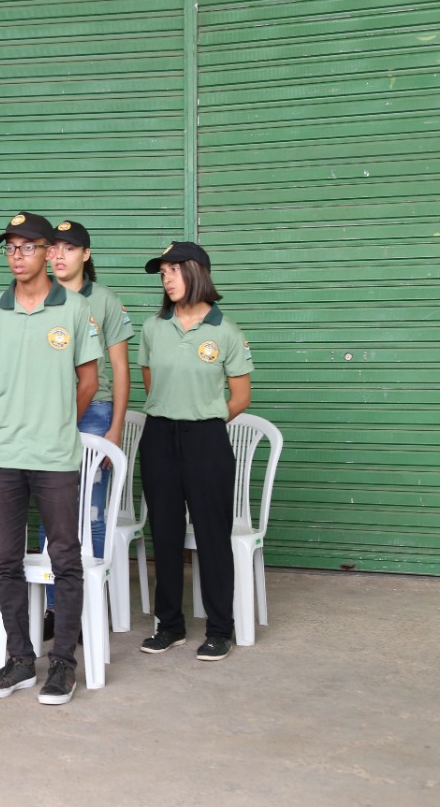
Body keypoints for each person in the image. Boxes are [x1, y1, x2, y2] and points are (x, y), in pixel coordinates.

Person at [0, 211, 101, 705]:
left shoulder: (74, 309)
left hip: (55, 456)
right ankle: (20, 661)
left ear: (48, 252)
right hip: (6, 454)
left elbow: (88, 380)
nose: (17, 256)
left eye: (28, 247)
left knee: (64, 559)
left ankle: (63, 664)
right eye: (10, 247)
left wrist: (57, 421)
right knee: (6, 560)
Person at [137, 241, 252, 663]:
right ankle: (170, 625)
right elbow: (151, 381)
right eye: (162, 273)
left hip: (206, 440)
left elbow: (241, 396)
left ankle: (220, 629)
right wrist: (174, 411)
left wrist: (204, 417)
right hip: (158, 436)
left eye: (173, 271)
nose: (166, 280)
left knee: (211, 535)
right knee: (165, 534)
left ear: (197, 272)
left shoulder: (226, 331)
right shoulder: (153, 327)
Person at [39, 220, 134, 636]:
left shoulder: (105, 301)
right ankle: (54, 610)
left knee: (92, 513)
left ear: (86, 254)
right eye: (53, 248)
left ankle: (86, 608)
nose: (58, 256)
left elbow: (120, 368)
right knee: (49, 511)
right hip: (48, 415)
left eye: (69, 248)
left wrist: (116, 428)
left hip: (94, 413)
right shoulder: (38, 298)